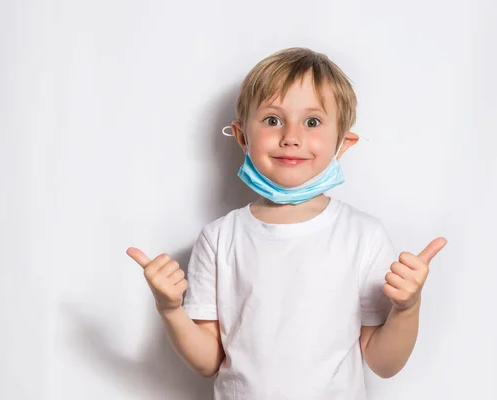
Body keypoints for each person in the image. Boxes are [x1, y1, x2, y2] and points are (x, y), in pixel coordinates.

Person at [127, 47, 447, 399]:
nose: (291, 136)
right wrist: (170, 308)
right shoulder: (220, 238)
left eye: (312, 122)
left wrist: (408, 307)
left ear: (343, 143)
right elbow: (207, 361)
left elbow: (384, 364)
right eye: (272, 119)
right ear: (241, 135)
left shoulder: (363, 236)